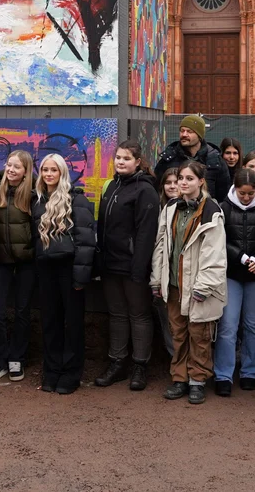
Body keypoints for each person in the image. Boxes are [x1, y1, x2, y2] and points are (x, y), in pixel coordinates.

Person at [152, 160, 226, 405]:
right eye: (180, 178)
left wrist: (204, 287)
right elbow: (161, 245)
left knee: (200, 334)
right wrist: (157, 279)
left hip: (197, 286)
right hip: (173, 284)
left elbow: (214, 254)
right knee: (178, 333)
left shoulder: (211, 211)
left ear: (201, 181)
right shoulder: (171, 207)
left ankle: (198, 380)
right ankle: (179, 378)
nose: (183, 183)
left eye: (189, 179)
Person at [95, 142, 159, 391]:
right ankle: (117, 363)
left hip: (133, 266)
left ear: (138, 162)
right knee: (118, 314)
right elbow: (102, 226)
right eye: (118, 158)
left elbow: (145, 233)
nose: (120, 162)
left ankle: (140, 366)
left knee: (139, 315)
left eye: (126, 158)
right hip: (111, 264)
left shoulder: (145, 191)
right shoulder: (111, 185)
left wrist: (138, 267)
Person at [32, 153, 97, 394]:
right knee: (50, 323)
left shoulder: (76, 200)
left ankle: (71, 373)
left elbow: (86, 240)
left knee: (72, 324)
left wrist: (81, 277)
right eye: (45, 170)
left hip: (69, 269)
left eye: (54, 170)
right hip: (46, 268)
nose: (49, 174)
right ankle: (51, 372)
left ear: (62, 173)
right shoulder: (37, 201)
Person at [214, 168, 255, 396]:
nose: (246, 197)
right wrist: (240, 256)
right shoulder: (224, 208)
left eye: (251, 193)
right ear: (235, 189)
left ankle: (250, 371)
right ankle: (223, 374)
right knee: (228, 325)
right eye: (242, 193)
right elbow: (219, 238)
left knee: (252, 324)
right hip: (231, 273)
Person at [0, 150, 37, 382]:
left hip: (26, 263)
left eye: (16, 166)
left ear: (26, 170)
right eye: (8, 165)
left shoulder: (34, 196)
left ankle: (17, 357)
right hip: (0, 262)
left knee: (22, 311)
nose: (11, 169)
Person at [154, 115, 231, 202]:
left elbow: (223, 193)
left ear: (199, 135)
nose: (184, 134)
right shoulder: (169, 158)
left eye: (189, 131)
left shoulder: (214, 160)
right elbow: (156, 187)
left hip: (206, 212)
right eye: (182, 131)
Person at [152, 167, 182, 359]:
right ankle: (174, 360)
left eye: (176, 182)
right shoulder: (158, 207)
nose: (172, 186)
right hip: (161, 273)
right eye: (168, 182)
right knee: (167, 320)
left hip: (181, 274)